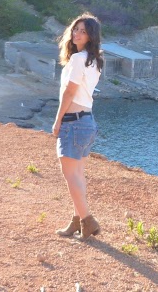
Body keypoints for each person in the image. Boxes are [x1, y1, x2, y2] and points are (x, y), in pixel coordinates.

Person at [53, 13, 104, 240]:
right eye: (76, 29)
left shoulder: (77, 59)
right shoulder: (95, 61)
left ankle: (88, 220)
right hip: (87, 122)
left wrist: (57, 120)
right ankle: (77, 221)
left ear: (91, 36)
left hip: (73, 122)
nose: (77, 34)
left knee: (69, 173)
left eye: (83, 31)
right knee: (78, 174)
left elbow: (69, 92)